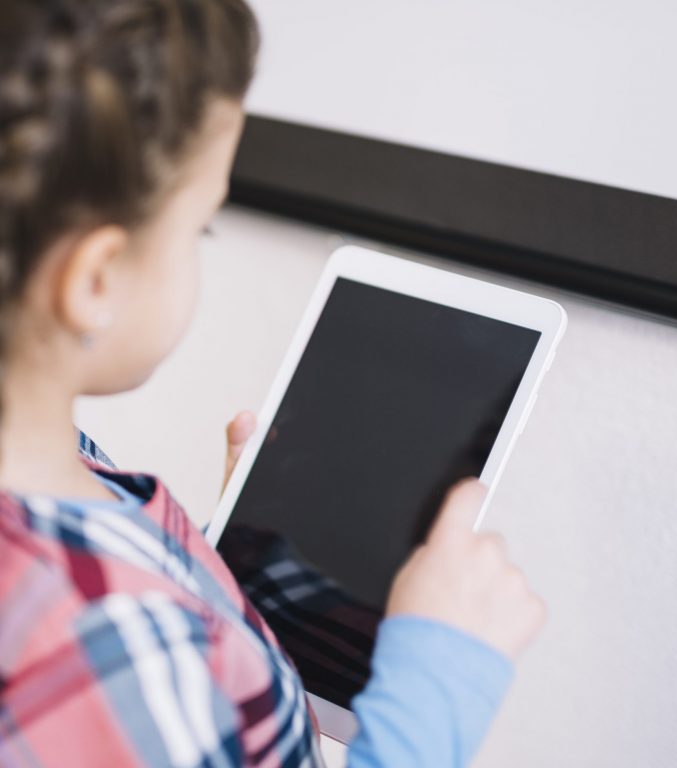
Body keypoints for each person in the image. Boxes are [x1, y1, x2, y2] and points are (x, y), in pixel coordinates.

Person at [0, 1, 546, 765]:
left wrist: (220, 576)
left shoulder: (69, 470)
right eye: (200, 227)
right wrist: (439, 680)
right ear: (95, 280)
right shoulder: (120, 646)